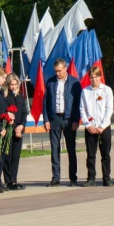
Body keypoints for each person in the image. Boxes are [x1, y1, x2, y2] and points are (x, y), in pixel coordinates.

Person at [44, 59, 81, 187]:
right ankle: (55, 178)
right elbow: (46, 102)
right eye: (56, 71)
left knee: (71, 149)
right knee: (55, 149)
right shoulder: (50, 82)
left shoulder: (74, 82)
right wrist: (46, 119)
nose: (58, 73)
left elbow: (78, 103)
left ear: (65, 68)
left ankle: (73, 178)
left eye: (59, 70)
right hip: (55, 119)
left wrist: (76, 120)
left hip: (69, 119)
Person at [80, 66, 114, 186]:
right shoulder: (85, 91)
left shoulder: (107, 90)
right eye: (92, 77)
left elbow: (109, 109)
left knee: (105, 154)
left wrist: (102, 126)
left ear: (100, 77)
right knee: (91, 154)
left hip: (103, 127)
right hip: (90, 127)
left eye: (96, 77)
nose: (94, 80)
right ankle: (91, 177)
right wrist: (88, 125)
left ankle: (106, 177)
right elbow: (82, 109)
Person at [0, 73, 28, 191]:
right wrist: (15, 127)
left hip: (19, 130)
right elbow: (7, 113)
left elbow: (24, 113)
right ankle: (8, 180)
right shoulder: (5, 96)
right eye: (11, 85)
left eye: (16, 84)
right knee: (8, 155)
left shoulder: (20, 97)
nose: (14, 87)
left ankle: (14, 179)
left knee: (15, 156)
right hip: (10, 129)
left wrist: (21, 126)